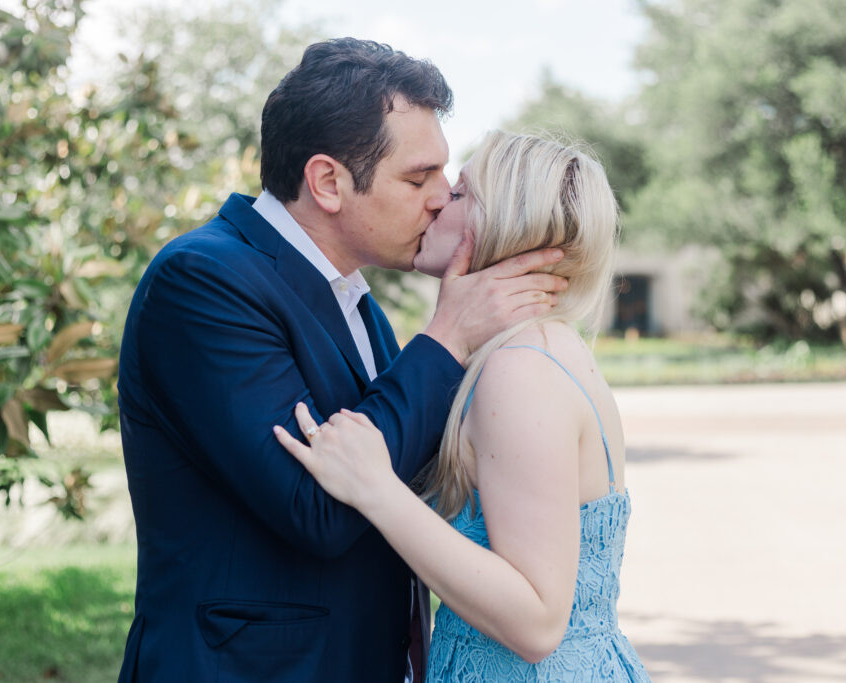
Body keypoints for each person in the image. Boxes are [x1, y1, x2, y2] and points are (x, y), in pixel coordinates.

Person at [115, 40, 568, 683]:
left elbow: (399, 472)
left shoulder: (357, 302)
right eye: (417, 178)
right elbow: (317, 508)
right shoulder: (201, 281)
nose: (442, 197)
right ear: (328, 181)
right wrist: (448, 337)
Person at [275, 130, 653, 681]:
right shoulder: (536, 346)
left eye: (457, 194)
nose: (435, 201)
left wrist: (376, 488)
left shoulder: (521, 367)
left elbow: (536, 623)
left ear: (505, 222)